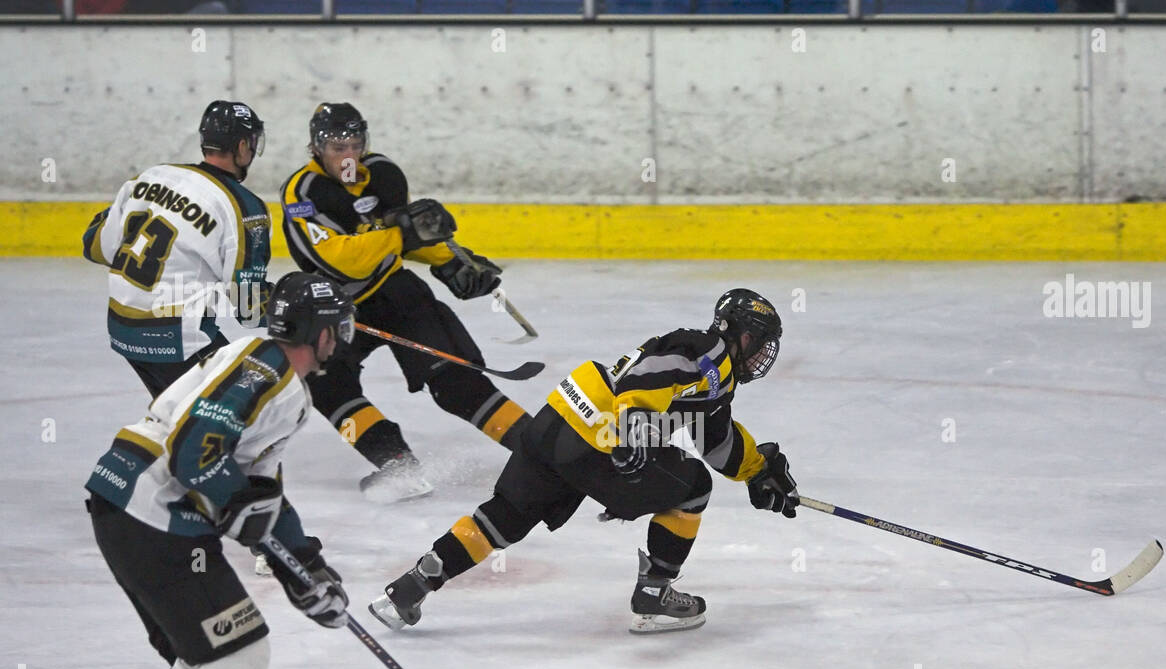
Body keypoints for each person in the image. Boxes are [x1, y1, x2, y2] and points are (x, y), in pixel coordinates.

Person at [84, 272, 354, 669]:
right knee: (238, 653)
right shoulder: (266, 374)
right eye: (337, 327)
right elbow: (194, 452)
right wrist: (233, 504)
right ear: (320, 330)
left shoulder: (262, 365)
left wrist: (304, 566)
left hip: (124, 503)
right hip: (152, 515)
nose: (343, 337)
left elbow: (260, 487)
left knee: (201, 650)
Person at [368, 289, 799, 635]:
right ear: (736, 332)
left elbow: (715, 437)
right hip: (603, 439)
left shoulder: (717, 378)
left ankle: (415, 583)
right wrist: (632, 431)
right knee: (694, 489)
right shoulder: (705, 349)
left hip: (559, 422)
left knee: (505, 516)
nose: (762, 353)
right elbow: (644, 379)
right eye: (758, 340)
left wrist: (759, 470)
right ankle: (654, 593)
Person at [279, 102, 531, 503]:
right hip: (334, 306)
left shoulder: (384, 174)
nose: (347, 156)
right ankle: (398, 465)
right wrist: (402, 233)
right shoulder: (303, 193)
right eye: (336, 146)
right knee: (326, 386)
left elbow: (409, 239)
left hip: (395, 291)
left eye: (354, 144)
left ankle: (542, 454)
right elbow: (339, 259)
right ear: (314, 148)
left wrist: (453, 263)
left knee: (457, 385)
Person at [82, 100, 272, 399]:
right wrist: (298, 307)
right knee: (241, 412)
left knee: (177, 422)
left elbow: (95, 246)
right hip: (175, 338)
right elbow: (248, 307)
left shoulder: (150, 177)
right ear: (242, 146)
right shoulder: (244, 207)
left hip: (123, 331)